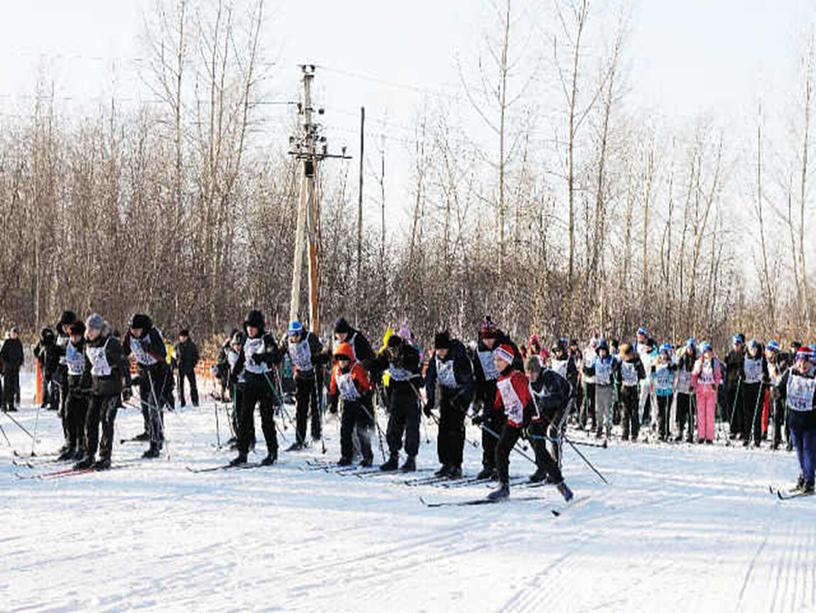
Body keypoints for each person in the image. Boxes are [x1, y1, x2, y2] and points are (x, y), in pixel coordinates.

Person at [488, 344, 573, 502]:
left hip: (530, 419)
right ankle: (503, 486)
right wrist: (485, 415)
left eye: (499, 360)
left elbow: (528, 402)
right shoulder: (501, 379)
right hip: (514, 421)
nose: (496, 363)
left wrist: (527, 423)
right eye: (495, 360)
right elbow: (498, 403)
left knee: (541, 453)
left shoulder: (517, 377)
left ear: (507, 361)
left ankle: (560, 483)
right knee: (501, 449)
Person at [75, 313, 130, 470]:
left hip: (112, 389)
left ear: (100, 330)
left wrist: (127, 387)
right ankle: (89, 454)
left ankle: (105, 456)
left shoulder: (111, 343)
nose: (90, 332)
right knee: (90, 421)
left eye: (94, 329)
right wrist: (81, 386)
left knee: (106, 420)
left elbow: (124, 364)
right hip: (97, 389)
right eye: (88, 328)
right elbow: (88, 367)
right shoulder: (87, 344)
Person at [472, 316, 521, 480]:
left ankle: (501, 466)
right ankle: (488, 464)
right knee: (488, 430)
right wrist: (478, 398)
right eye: (485, 339)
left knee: (502, 432)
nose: (488, 342)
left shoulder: (506, 346)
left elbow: (518, 366)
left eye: (491, 338)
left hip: (506, 393)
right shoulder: (479, 351)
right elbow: (478, 376)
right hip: (489, 394)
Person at [231, 310, 282, 466]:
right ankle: (242, 452)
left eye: (253, 327)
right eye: (248, 327)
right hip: (250, 381)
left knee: (266, 419)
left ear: (259, 327)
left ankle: (272, 451)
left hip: (265, 383)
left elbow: (276, 355)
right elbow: (241, 360)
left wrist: (263, 357)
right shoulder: (246, 340)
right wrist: (234, 374)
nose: (250, 330)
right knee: (244, 418)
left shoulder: (266, 339)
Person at [371, 332, 423, 472]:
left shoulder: (410, 351)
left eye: (395, 350)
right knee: (394, 425)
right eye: (390, 350)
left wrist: (402, 362)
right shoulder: (387, 354)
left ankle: (411, 458)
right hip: (397, 392)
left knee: (412, 427)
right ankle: (393, 456)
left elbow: (414, 362)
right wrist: (372, 369)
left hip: (411, 391)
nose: (392, 353)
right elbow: (379, 363)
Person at [426, 331, 474, 479]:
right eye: (438, 349)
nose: (440, 352)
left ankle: (456, 465)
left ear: (448, 348)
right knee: (443, 429)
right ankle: (446, 463)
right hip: (446, 393)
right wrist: (430, 401)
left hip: (460, 394)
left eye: (443, 349)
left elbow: (469, 382)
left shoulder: (459, 357)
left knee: (455, 430)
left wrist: (461, 399)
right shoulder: (435, 358)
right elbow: (430, 378)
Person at [123, 314, 170, 458]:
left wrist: (149, 349)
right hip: (144, 372)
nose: (134, 332)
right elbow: (123, 352)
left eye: (137, 330)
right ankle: (151, 432)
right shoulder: (130, 336)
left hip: (159, 373)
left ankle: (155, 443)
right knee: (145, 408)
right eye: (132, 329)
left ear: (144, 328)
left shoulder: (153, 333)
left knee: (153, 405)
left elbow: (163, 355)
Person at [525, 355, 571, 482]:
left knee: (553, 430)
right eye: (528, 373)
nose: (530, 376)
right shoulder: (528, 382)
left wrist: (542, 402)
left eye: (533, 372)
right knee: (533, 430)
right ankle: (542, 467)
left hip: (564, 401)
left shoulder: (549, 377)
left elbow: (558, 397)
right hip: (547, 405)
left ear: (538, 371)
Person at [777, 346, 816, 494]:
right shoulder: (791, 372)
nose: (802, 365)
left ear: (811, 362)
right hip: (794, 419)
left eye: (806, 362)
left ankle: (810, 480)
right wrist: (776, 392)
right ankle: (804, 475)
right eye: (800, 361)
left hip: (811, 420)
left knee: (809, 451)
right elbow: (781, 387)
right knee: (799, 451)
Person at [328, 341, 374, 467]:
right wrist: (333, 403)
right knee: (345, 431)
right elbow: (333, 387)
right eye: (340, 360)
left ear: (350, 359)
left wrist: (366, 394)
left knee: (361, 431)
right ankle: (346, 455)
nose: (342, 362)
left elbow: (367, 385)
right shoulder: (336, 371)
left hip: (360, 404)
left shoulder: (357, 368)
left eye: (345, 359)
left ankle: (367, 456)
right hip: (347, 403)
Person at [281, 320, 325, 450]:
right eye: (291, 335)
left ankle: (316, 435)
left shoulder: (310, 338)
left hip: (315, 375)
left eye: (296, 335)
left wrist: (318, 359)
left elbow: (321, 351)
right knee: (301, 408)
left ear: (301, 332)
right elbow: (280, 351)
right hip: (301, 376)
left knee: (315, 406)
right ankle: (299, 439)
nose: (294, 338)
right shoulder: (287, 340)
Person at [60, 321, 89, 461]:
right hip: (72, 381)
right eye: (72, 336)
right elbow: (64, 361)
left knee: (81, 417)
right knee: (68, 413)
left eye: (76, 337)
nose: (74, 339)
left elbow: (90, 367)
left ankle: (82, 446)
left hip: (83, 385)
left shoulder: (86, 346)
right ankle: (71, 445)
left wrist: (84, 385)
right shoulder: (68, 345)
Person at [582, 338, 618, 439]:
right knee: (599, 409)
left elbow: (615, 366)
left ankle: (608, 429)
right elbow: (591, 372)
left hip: (608, 386)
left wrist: (613, 369)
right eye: (600, 351)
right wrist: (585, 369)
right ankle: (599, 428)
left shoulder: (611, 359)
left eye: (604, 351)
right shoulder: (596, 360)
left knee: (607, 409)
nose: (602, 353)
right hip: (598, 386)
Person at [691, 342, 722, 444]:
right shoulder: (698, 362)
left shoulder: (715, 363)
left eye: (709, 352)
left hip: (710, 390)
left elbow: (718, 376)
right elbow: (694, 375)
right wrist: (693, 385)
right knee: (700, 414)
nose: (707, 354)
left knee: (709, 414)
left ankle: (709, 436)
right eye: (706, 352)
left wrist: (715, 384)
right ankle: (701, 435)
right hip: (700, 390)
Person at [741, 339, 768, 447]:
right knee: (747, 413)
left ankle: (757, 438)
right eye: (751, 349)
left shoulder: (762, 359)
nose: (753, 351)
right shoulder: (744, 358)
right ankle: (746, 436)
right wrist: (741, 373)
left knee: (757, 413)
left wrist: (765, 376)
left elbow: (766, 371)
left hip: (757, 386)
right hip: (747, 386)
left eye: (755, 349)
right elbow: (740, 369)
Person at [617, 343, 645, 441]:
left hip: (634, 388)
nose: (625, 357)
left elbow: (643, 375)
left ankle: (634, 433)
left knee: (634, 412)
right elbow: (617, 376)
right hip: (624, 388)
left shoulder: (636, 361)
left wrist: (639, 367)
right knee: (624, 412)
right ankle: (625, 433)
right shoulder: (621, 362)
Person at [766, 340, 790, 450]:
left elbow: (785, 374)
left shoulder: (782, 359)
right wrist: (766, 379)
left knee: (786, 416)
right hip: (775, 390)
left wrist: (780, 383)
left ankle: (789, 439)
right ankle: (776, 439)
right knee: (775, 416)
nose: (767, 352)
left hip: (785, 391)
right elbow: (771, 377)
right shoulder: (768, 361)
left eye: (770, 350)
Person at [674, 339, 697, 443]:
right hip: (681, 389)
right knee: (680, 413)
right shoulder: (682, 359)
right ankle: (680, 432)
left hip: (691, 391)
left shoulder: (696, 360)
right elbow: (677, 373)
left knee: (691, 413)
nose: (690, 350)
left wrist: (694, 385)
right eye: (688, 348)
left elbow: (697, 375)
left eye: (691, 348)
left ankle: (690, 434)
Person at [653, 343, 677, 441]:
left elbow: (675, 373)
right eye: (662, 353)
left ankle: (667, 431)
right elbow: (653, 376)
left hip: (668, 390)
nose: (663, 355)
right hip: (659, 391)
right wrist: (652, 383)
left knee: (667, 412)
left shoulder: (670, 364)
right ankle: (660, 431)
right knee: (660, 412)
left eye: (665, 353)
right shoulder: (656, 364)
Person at [724, 334, 746, 439]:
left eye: (738, 344)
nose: (736, 346)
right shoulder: (730, 355)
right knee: (730, 407)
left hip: (740, 385)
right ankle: (732, 429)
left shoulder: (744, 355)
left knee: (740, 408)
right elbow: (727, 369)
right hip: (730, 385)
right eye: (735, 344)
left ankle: (741, 429)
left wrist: (741, 373)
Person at [33, 328, 60, 410]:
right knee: (45, 385)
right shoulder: (41, 344)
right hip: (44, 366)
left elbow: (57, 353)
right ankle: (45, 401)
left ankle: (53, 402)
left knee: (53, 385)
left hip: (53, 367)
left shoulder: (53, 343)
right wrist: (40, 358)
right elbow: (36, 352)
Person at [174, 329, 200, 408]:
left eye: (182, 337)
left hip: (189, 368)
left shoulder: (191, 345)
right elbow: (173, 357)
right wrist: (174, 367)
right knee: (180, 386)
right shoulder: (177, 346)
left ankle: (195, 401)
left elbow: (196, 356)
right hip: (180, 368)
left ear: (186, 337)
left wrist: (193, 364)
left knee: (193, 385)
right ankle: (182, 401)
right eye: (180, 337)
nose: (181, 338)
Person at [1, 327, 24, 412]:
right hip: (8, 368)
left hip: (15, 369)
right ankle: (3, 405)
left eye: (16, 333)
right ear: (11, 334)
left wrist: (20, 362)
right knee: (7, 387)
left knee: (13, 388)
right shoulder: (7, 342)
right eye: (13, 333)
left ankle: (11, 405)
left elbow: (21, 354)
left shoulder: (19, 343)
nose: (14, 335)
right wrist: (6, 363)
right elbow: (2, 354)